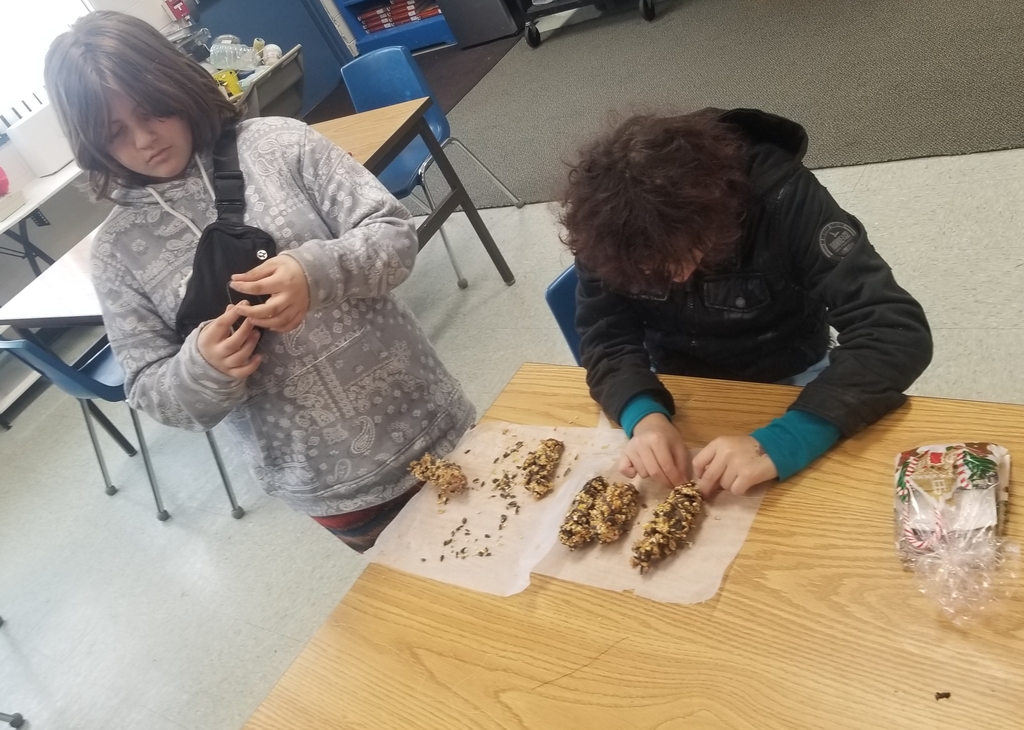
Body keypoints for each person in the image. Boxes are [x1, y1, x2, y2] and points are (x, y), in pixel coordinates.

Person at [44, 11, 474, 551]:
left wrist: (316, 271)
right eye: (113, 132)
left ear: (176, 82)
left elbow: (393, 236)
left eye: (153, 109)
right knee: (430, 600)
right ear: (91, 142)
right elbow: (150, 390)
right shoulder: (115, 256)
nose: (144, 139)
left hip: (432, 419)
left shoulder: (277, 145)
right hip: (326, 483)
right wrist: (202, 368)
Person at [561, 109, 932, 497]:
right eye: (650, 271)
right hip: (679, 387)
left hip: (791, 376)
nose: (676, 278)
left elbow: (893, 331)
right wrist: (644, 416)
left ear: (715, 214)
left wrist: (785, 440)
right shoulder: (604, 227)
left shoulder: (782, 195)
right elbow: (605, 337)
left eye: (685, 255)